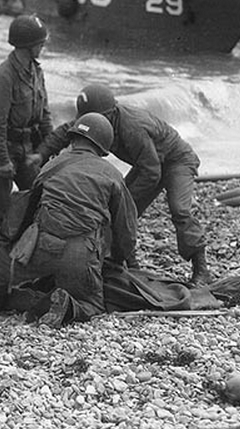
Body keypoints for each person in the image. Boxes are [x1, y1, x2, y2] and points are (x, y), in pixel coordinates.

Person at [0, 113, 137, 327]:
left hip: (40, 247)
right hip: (79, 255)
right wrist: (120, 261)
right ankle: (63, 305)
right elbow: (126, 231)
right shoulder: (112, 175)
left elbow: (27, 212)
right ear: (103, 147)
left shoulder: (51, 166)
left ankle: (27, 299)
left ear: (73, 138)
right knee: (92, 304)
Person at [36, 83, 210, 284]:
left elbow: (152, 172)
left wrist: (125, 203)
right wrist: (40, 154)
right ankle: (127, 262)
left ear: (110, 114)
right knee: (119, 212)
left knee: (179, 210)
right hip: (147, 162)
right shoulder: (99, 118)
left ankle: (201, 268)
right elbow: (69, 130)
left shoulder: (132, 127)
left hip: (175, 160)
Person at [0, 14, 53, 244]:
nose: (43, 46)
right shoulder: (3, 77)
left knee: (40, 200)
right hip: (3, 151)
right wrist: (1, 161)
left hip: (27, 150)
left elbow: (45, 114)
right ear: (28, 46)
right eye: (40, 43)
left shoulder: (36, 71)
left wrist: (50, 150)